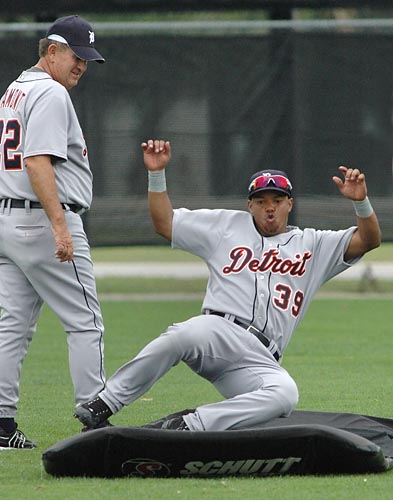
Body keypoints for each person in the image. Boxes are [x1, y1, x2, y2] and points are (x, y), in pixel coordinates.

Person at [75, 139, 381, 432]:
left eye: (276, 200)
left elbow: (368, 240)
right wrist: (156, 173)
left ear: (290, 204)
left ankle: (191, 425)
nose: (269, 208)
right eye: (261, 201)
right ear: (250, 205)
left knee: (285, 393)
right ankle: (104, 403)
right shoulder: (225, 226)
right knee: (182, 335)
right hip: (217, 332)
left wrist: (362, 203)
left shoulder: (314, 244)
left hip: (259, 358)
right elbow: (164, 223)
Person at [0, 15, 108, 449]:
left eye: (87, 58)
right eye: (75, 55)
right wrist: (60, 227)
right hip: (44, 221)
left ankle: (2, 425)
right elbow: (37, 161)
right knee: (86, 324)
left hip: (8, 219)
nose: (81, 65)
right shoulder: (50, 92)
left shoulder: (14, 90)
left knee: (10, 326)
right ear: (51, 51)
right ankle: (96, 420)